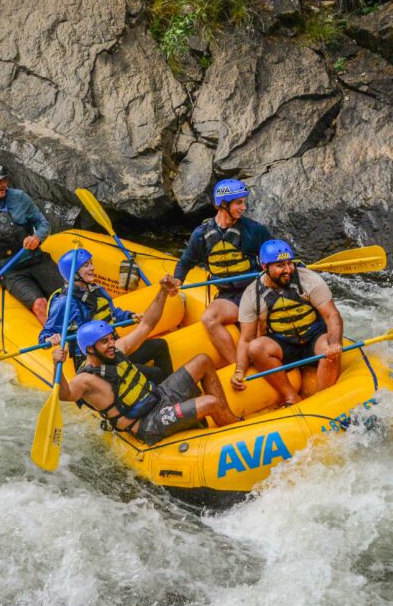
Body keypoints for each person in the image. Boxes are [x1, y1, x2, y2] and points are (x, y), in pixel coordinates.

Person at [52, 280, 240, 446]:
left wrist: (163, 292)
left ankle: (228, 418)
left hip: (159, 396)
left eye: (110, 339)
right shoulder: (86, 379)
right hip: (147, 422)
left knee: (203, 361)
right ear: (90, 349)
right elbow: (65, 395)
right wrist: (56, 364)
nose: (111, 345)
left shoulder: (117, 350)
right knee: (210, 403)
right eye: (104, 342)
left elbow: (147, 324)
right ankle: (237, 431)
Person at [229, 239, 344, 406]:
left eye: (290, 263)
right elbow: (246, 340)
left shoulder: (309, 280)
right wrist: (239, 370)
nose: (288, 270)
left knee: (328, 349)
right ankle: (290, 396)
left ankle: (323, 401)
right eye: (280, 265)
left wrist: (335, 343)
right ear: (264, 267)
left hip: (314, 338)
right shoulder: (252, 294)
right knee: (255, 347)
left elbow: (332, 315)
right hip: (284, 345)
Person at [172, 178, 272, 364]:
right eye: (238, 203)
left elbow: (273, 258)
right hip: (228, 296)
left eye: (243, 202)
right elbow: (186, 262)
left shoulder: (255, 230)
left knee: (257, 319)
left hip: (254, 291)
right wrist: (177, 281)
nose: (243, 207)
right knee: (209, 318)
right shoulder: (201, 234)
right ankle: (237, 365)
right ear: (223, 205)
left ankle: (260, 361)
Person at [39, 248, 174, 382]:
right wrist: (48, 340)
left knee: (160, 345)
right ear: (73, 272)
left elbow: (113, 313)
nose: (92, 268)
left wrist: (130, 316)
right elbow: (46, 333)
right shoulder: (64, 302)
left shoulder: (97, 290)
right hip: (93, 357)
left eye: (91, 263)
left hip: (113, 346)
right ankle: (163, 395)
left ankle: (171, 389)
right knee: (155, 374)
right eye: (86, 265)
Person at [0, 162, 62, 324]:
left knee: (65, 298)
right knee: (40, 304)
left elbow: (43, 224)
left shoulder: (20, 198)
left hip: (37, 260)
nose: (3, 185)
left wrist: (37, 237)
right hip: (11, 272)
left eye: (4, 180)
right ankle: (58, 343)